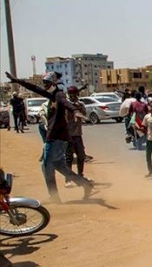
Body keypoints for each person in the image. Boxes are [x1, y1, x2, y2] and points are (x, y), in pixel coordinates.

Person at [4, 71, 94, 203]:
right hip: (57, 137)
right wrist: (18, 81)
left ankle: (54, 196)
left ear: (53, 83)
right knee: (59, 166)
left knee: (46, 166)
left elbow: (65, 102)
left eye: (46, 83)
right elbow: (35, 88)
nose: (44, 85)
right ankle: (85, 184)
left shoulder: (59, 95)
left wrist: (75, 111)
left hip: (56, 138)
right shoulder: (52, 95)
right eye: (44, 83)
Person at [64, 86, 88, 188]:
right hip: (67, 134)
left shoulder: (80, 104)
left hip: (77, 133)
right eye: (71, 94)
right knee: (68, 157)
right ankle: (68, 179)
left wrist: (78, 107)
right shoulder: (65, 104)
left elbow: (84, 114)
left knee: (81, 156)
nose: (73, 96)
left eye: (75, 94)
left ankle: (80, 175)